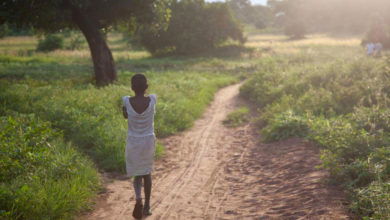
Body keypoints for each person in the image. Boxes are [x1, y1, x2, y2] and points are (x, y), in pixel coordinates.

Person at [122, 74, 157, 219]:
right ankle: (147, 205)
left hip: (133, 141)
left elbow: (125, 116)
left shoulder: (126, 100)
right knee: (147, 173)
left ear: (132, 88)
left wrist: (125, 109)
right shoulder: (153, 99)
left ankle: (138, 199)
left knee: (137, 172)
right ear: (146, 88)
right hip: (148, 141)